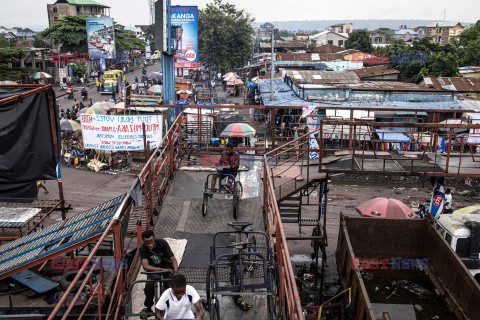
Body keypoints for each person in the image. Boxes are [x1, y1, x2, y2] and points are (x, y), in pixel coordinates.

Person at [140, 230, 179, 314]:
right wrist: (161, 270)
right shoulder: (143, 249)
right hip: (153, 270)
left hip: (167, 268)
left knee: (169, 287)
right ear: (143, 242)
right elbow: (145, 266)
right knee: (148, 286)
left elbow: (173, 259)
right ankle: (148, 306)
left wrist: (175, 272)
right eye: (147, 243)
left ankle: (168, 306)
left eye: (151, 242)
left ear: (154, 239)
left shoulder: (162, 243)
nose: (150, 245)